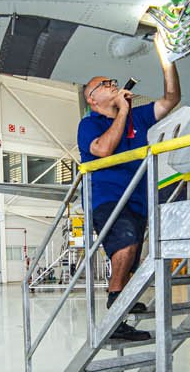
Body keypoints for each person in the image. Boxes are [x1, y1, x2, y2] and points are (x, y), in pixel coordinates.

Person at [77, 33, 181, 341]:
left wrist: (168, 60)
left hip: (138, 200)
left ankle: (121, 299)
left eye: (112, 81)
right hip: (108, 200)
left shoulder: (138, 117)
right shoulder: (90, 125)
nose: (112, 84)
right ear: (92, 99)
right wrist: (122, 111)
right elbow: (103, 150)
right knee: (124, 243)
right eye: (104, 84)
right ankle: (114, 315)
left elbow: (171, 99)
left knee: (131, 253)